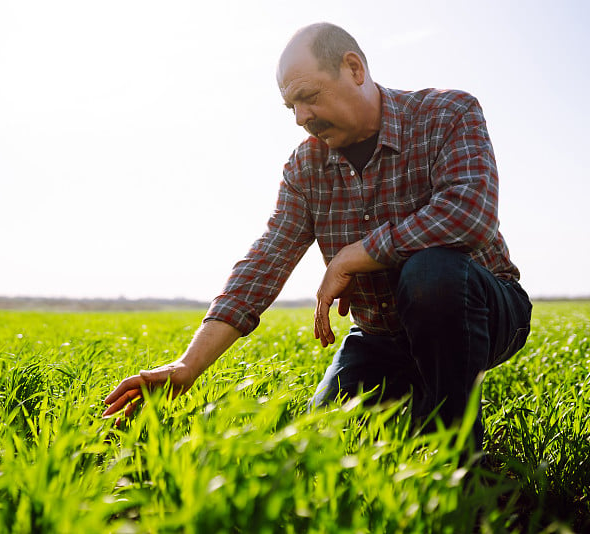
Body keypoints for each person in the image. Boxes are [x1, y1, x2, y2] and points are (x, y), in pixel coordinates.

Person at [102, 22, 532, 449]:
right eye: (291, 106)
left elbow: (469, 214)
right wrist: (187, 365)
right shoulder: (304, 168)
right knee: (319, 445)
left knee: (430, 272)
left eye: (308, 97)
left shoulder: (447, 114)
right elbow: (265, 261)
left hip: (484, 310)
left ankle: (454, 462)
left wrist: (353, 255)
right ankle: (418, 389)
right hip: (381, 336)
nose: (301, 118)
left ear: (354, 69)